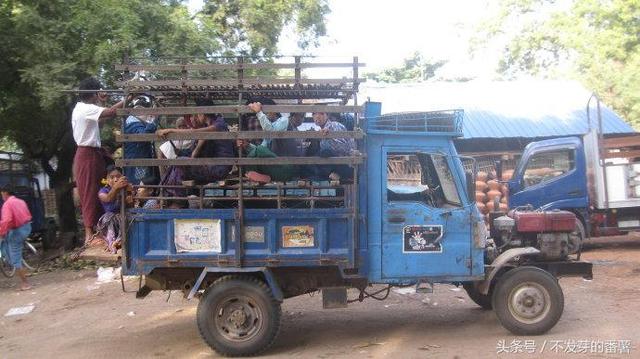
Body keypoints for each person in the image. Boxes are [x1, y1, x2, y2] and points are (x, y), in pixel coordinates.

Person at [72, 77, 130, 244]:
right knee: (89, 192)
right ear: (95, 92)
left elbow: (102, 121)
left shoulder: (84, 109)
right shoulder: (85, 109)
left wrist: (103, 102)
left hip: (92, 153)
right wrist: (126, 100)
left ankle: (97, 230)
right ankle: (89, 234)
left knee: (98, 187)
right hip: (87, 154)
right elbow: (111, 112)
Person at [0, 185, 33, 290]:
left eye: (2, 194)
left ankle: (25, 283)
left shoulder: (7, 204)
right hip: (26, 227)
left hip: (17, 230)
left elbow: (7, 220)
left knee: (15, 258)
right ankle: (14, 261)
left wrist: (1, 232)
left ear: (5, 193)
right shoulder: (21, 201)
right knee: (7, 241)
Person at [309, 111, 357, 181]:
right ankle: (331, 175)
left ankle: (337, 175)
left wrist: (329, 138)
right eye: (314, 113)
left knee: (324, 152)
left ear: (327, 115)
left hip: (344, 165)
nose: (317, 116)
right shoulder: (322, 130)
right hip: (336, 165)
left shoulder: (334, 125)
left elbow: (344, 147)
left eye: (321, 113)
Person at [123, 95, 158, 183]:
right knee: (139, 187)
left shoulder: (135, 122)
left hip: (141, 161)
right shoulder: (133, 124)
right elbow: (144, 136)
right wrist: (152, 121)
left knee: (144, 186)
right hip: (137, 163)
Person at [97, 166, 132, 253]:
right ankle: (112, 242)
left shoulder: (126, 189)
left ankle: (120, 242)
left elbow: (131, 204)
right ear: (107, 180)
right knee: (110, 218)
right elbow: (108, 199)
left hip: (123, 218)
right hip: (109, 221)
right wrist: (116, 188)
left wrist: (130, 193)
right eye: (112, 177)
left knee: (127, 218)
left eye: (118, 176)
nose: (116, 179)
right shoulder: (102, 191)